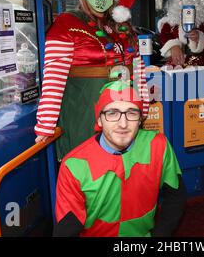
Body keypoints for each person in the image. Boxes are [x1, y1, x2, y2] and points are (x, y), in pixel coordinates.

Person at [34, 0, 148, 161]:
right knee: (91, 176)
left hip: (125, 116)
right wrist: (46, 124)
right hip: (85, 116)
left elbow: (139, 72)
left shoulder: (123, 27)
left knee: (125, 173)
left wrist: (143, 108)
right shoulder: (67, 24)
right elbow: (54, 76)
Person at [53, 80, 186, 237]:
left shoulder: (158, 145)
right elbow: (67, 229)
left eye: (131, 113)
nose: (123, 124)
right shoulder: (74, 165)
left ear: (140, 120)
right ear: (99, 120)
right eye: (112, 113)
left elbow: (176, 197)